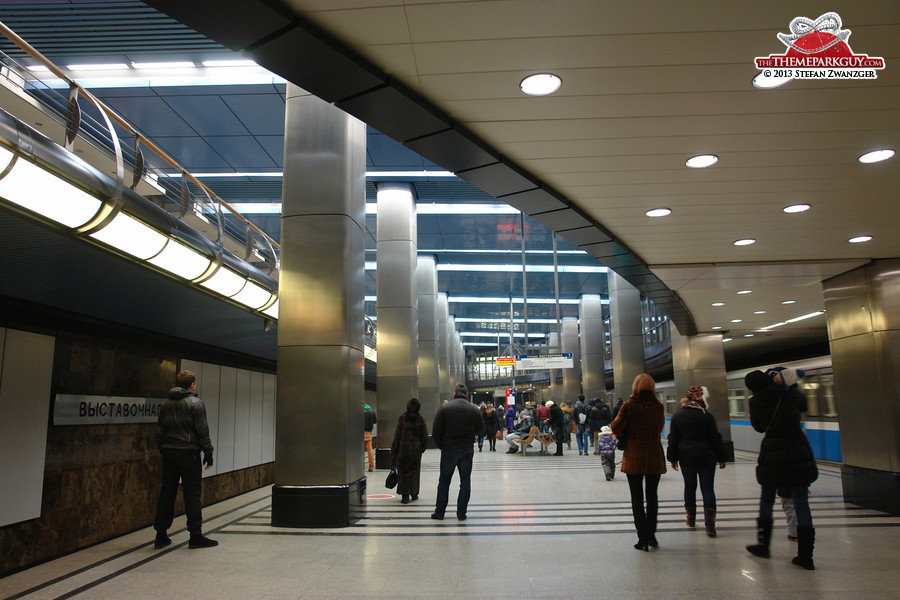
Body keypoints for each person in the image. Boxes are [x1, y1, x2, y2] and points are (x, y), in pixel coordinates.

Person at [744, 368, 818, 570]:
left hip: (772, 454)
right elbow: (803, 404)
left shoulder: (755, 401)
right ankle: (805, 556)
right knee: (801, 504)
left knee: (767, 499)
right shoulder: (788, 394)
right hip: (797, 450)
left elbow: (758, 427)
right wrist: (788, 383)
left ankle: (763, 545)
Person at [153, 370, 217, 549]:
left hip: (169, 453)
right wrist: (208, 452)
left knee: (167, 492)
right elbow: (202, 431)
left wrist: (163, 448)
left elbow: (159, 431)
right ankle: (195, 535)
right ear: (192, 385)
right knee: (192, 494)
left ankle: (160, 535)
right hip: (189, 453)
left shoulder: (165, 404)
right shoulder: (196, 404)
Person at [611, 374, 666, 552]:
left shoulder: (629, 405)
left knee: (637, 499)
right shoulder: (658, 406)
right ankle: (652, 535)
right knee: (652, 497)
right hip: (654, 456)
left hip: (634, 455)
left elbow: (615, 427)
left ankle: (642, 537)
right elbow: (659, 428)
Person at [666, 385, 728, 537]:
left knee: (689, 487)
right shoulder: (706, 416)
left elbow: (673, 438)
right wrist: (722, 457)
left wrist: (672, 458)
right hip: (706, 456)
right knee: (707, 489)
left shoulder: (678, 415)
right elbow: (715, 438)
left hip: (686, 457)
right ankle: (710, 525)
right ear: (700, 398)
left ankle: (690, 519)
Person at [431, 384, 485, 521]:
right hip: (467, 449)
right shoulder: (474, 409)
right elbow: (481, 430)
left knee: (444, 481)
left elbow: (436, 430)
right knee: (465, 481)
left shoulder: (445, 408)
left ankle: (440, 512)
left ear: (454, 394)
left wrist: (441, 445)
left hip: (448, 449)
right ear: (467, 395)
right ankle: (461, 513)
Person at [390, 397, 429, 504]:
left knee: (402, 472)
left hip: (402, 451)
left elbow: (397, 436)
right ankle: (414, 493)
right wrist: (422, 448)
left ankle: (405, 496)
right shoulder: (421, 419)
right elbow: (425, 436)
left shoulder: (402, 418)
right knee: (414, 473)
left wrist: (394, 450)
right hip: (415, 451)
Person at [364, 403, 377, 472]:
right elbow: (375, 421)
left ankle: (357, 466)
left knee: (356, 451)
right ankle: (371, 467)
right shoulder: (372, 411)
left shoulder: (359, 411)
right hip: (368, 433)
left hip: (359, 433)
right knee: (370, 450)